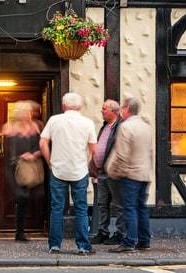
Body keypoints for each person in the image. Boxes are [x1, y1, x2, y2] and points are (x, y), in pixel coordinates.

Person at [39, 92, 97, 255]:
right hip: (79, 170)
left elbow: (43, 142)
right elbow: (94, 149)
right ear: (79, 106)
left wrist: (50, 161)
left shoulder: (54, 120)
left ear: (64, 106)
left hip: (58, 170)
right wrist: (88, 163)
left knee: (56, 208)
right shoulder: (87, 123)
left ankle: (55, 245)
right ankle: (83, 246)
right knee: (81, 208)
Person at [105, 97, 154, 252]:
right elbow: (151, 152)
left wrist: (112, 171)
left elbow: (121, 154)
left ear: (126, 108)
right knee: (141, 208)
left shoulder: (126, 127)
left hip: (130, 174)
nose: (120, 111)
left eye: (121, 108)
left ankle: (129, 242)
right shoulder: (146, 127)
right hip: (144, 174)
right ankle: (144, 241)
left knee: (129, 208)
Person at [2, 100, 42, 241]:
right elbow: (6, 151)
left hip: (31, 168)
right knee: (21, 197)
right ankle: (19, 232)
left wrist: (33, 155)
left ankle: (30, 229)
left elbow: (42, 147)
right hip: (14, 168)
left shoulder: (37, 127)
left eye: (30, 111)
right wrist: (18, 157)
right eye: (25, 112)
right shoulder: (10, 128)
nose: (28, 114)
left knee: (38, 196)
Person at [90, 100, 126, 245]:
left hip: (114, 171)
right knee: (102, 204)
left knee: (118, 204)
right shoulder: (105, 126)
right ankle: (102, 232)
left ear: (114, 111)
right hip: (101, 172)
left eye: (104, 109)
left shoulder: (121, 127)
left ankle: (120, 233)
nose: (102, 111)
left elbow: (121, 149)